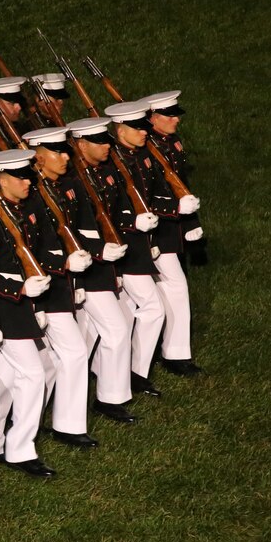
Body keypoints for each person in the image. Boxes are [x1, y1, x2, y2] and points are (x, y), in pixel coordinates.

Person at [105, 101, 200, 397]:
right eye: (139, 128)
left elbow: (160, 189)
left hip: (149, 238)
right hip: (125, 246)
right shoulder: (113, 163)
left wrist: (179, 212)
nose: (145, 133)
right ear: (121, 130)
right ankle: (130, 371)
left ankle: (149, 365)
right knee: (140, 309)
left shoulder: (142, 154)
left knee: (155, 301)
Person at [22, 127, 100, 446]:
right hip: (43, 289)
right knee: (70, 352)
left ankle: (55, 423)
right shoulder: (33, 198)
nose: (67, 156)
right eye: (58, 152)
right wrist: (62, 264)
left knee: (56, 358)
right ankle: (60, 425)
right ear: (39, 159)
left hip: (60, 287)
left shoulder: (59, 187)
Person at [0, 150, 56, 478]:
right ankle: (20, 448)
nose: (28, 182)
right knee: (33, 374)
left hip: (21, 308)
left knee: (6, 380)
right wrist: (19, 291)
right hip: (2, 309)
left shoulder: (22, 212)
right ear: (1, 181)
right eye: (20, 177)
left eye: (28, 175)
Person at [65, 117, 137, 423]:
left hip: (102, 266)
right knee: (115, 330)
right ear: (81, 145)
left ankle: (101, 392)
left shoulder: (102, 172)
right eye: (100, 142)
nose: (108, 146)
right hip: (85, 268)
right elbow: (66, 229)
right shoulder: (71, 182)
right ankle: (108, 398)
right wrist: (97, 251)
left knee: (92, 333)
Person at [143, 90, 204, 376]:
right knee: (175, 288)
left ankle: (161, 349)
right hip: (154, 231)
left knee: (170, 288)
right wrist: (177, 209)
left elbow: (181, 183)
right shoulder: (144, 148)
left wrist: (191, 221)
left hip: (174, 228)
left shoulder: (172, 142)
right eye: (170, 116)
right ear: (153, 118)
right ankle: (175, 354)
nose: (176, 119)